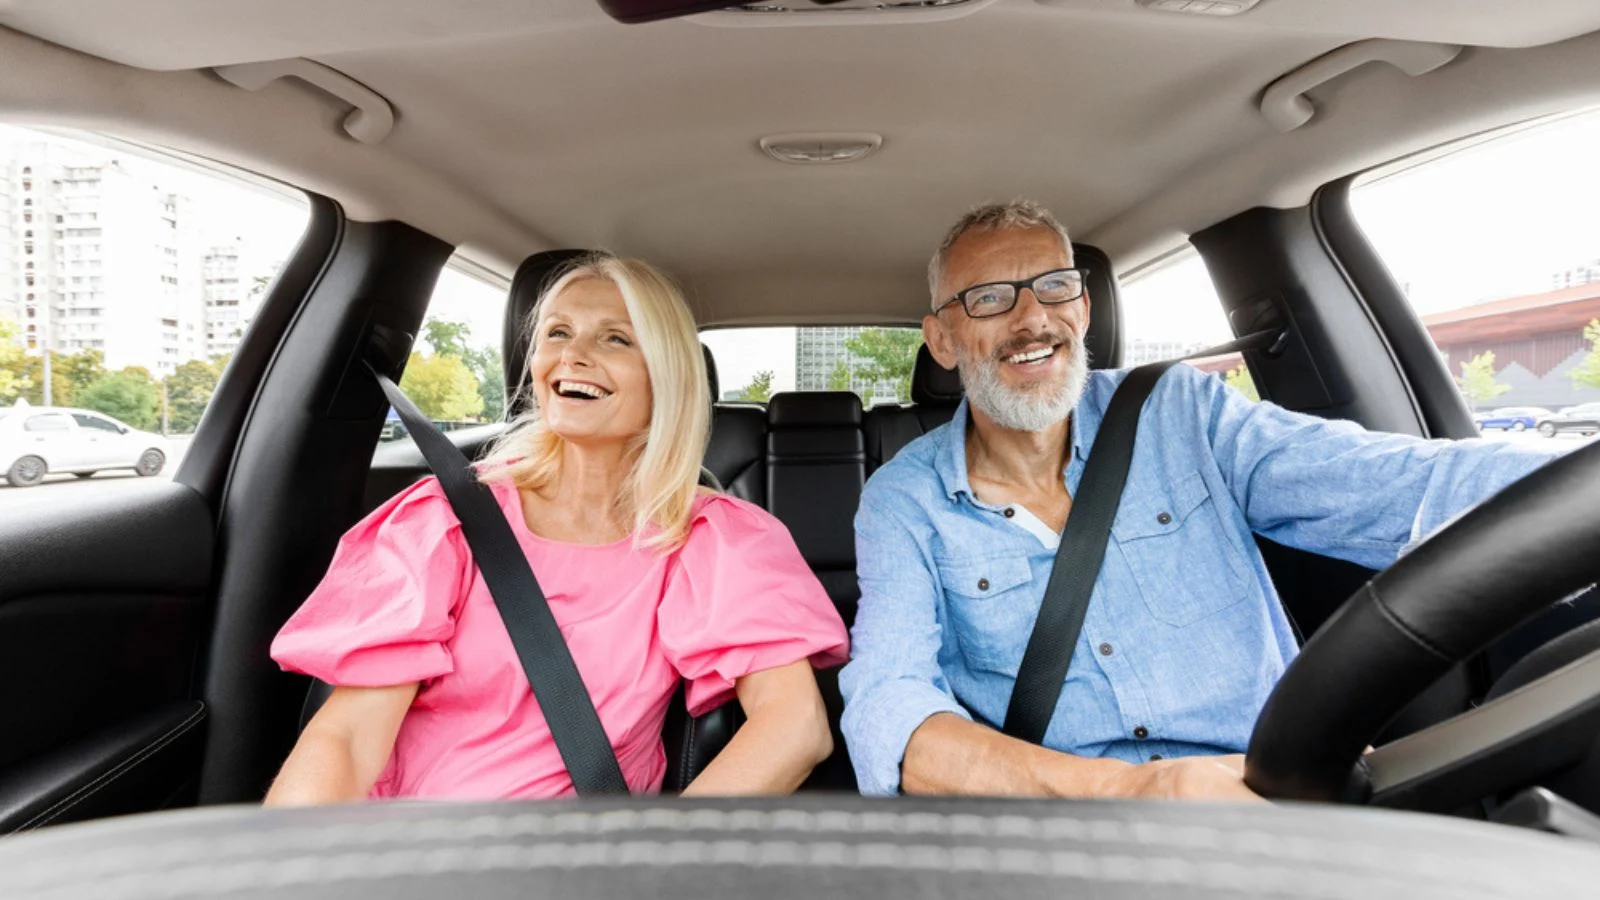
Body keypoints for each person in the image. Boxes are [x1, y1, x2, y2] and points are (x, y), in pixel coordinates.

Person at [839, 200, 1562, 802]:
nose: (1032, 319)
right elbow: (890, 714)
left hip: (1270, 800)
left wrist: (1573, 490)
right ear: (941, 339)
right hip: (1064, 830)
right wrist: (1135, 794)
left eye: (1054, 287)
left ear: (1084, 308)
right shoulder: (904, 500)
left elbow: (1405, 486)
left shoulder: (1182, 413)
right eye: (990, 298)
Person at [266, 253, 847, 804]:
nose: (573, 356)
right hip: (410, 850)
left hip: (579, 860)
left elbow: (794, 725)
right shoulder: (444, 518)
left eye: (615, 338)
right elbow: (346, 738)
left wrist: (659, 865)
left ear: (666, 374)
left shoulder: (711, 538)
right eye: (557, 333)